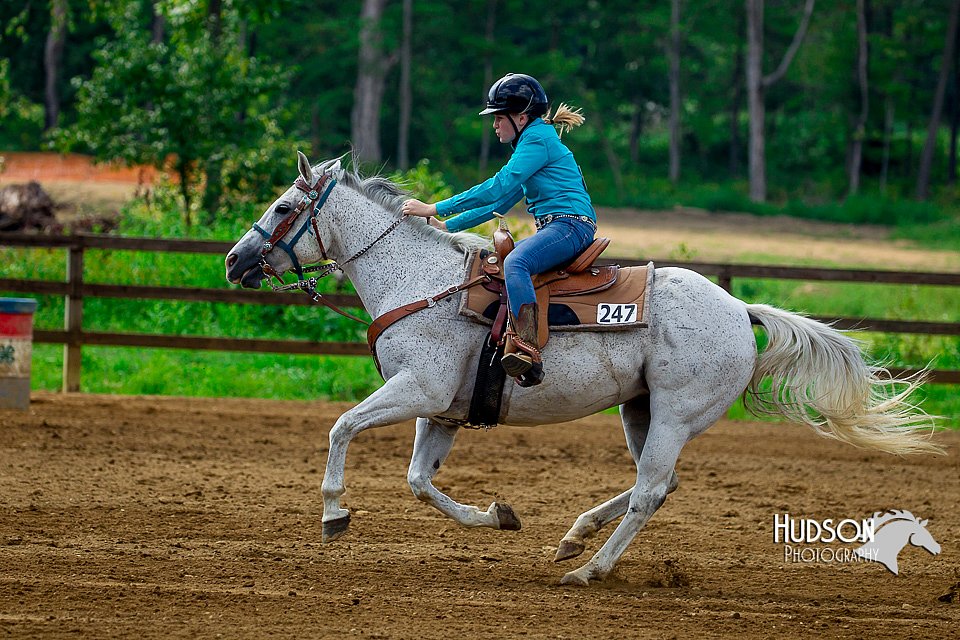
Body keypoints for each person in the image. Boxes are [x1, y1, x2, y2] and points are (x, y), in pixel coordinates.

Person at [402, 73, 596, 387]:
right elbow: (502, 202)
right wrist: (446, 226)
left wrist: (433, 208)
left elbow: (497, 187)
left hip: (569, 226)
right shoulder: (533, 141)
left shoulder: (537, 140)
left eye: (499, 118)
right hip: (564, 225)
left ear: (521, 117)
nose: (494, 125)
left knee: (515, 263)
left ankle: (526, 348)